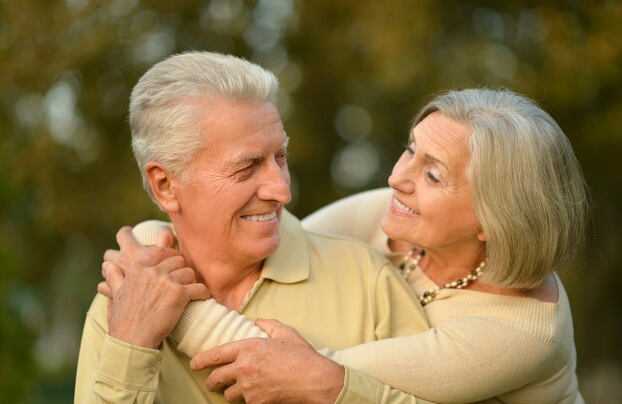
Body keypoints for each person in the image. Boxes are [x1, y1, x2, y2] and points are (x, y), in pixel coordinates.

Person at [119, 88, 588, 404]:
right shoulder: (396, 212)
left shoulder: (518, 335)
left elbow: (293, 372)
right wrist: (152, 235)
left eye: (432, 174)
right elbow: (272, 242)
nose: (395, 178)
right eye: (410, 150)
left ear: (493, 218)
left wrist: (151, 278)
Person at [73, 51, 432, 404]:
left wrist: (334, 389)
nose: (282, 191)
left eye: (281, 157)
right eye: (246, 168)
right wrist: (131, 346)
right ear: (165, 185)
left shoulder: (363, 279)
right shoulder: (119, 305)